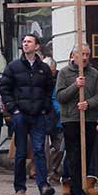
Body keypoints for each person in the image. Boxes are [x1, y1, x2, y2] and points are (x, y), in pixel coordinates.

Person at [0, 34, 56, 195]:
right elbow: (5, 89)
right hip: (21, 115)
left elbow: (48, 90)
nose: (25, 44)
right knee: (21, 153)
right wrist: (13, 109)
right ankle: (20, 188)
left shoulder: (44, 69)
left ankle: (43, 185)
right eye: (24, 42)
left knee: (39, 151)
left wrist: (45, 108)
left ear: (37, 46)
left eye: (29, 42)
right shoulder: (13, 67)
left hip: (38, 115)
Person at [56, 44, 98, 195]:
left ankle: (82, 188)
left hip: (88, 119)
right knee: (74, 155)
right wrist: (75, 86)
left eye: (86, 54)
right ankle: (77, 193)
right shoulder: (64, 73)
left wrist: (88, 104)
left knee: (87, 154)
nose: (84, 57)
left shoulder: (94, 73)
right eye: (81, 54)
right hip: (70, 119)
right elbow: (60, 96)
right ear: (74, 55)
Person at [44, 57, 65, 186]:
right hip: (44, 117)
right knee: (43, 149)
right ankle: (46, 174)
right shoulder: (38, 78)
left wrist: (60, 112)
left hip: (57, 119)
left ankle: (54, 172)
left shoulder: (60, 77)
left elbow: (56, 98)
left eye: (51, 70)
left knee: (59, 148)